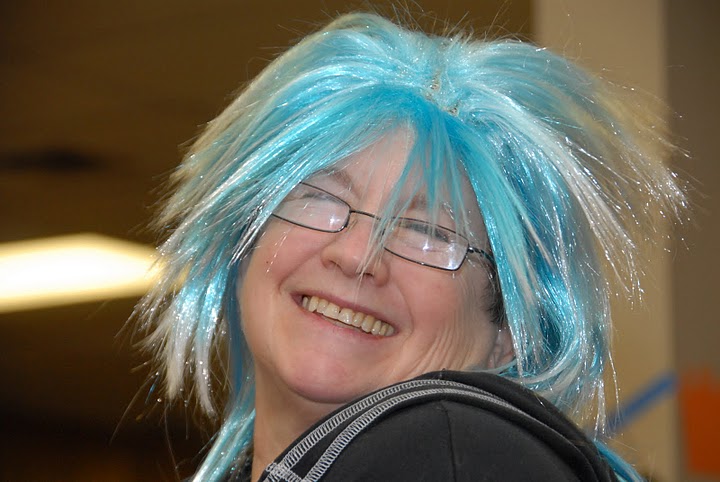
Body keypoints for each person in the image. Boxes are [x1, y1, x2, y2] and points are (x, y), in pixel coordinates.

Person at [136, 12, 686, 482]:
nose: (357, 256)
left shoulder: (458, 456)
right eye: (320, 199)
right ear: (245, 239)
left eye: (429, 233)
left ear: (509, 333)